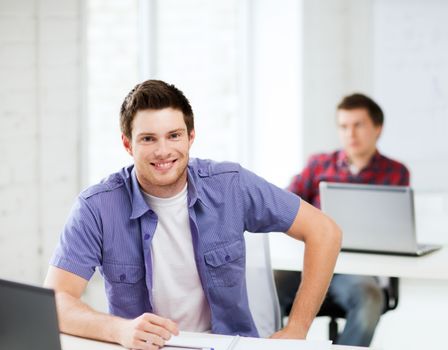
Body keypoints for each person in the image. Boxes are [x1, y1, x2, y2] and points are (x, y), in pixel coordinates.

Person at [44, 79, 341, 350]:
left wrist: (297, 328)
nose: (163, 151)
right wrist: (119, 330)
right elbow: (57, 301)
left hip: (226, 345)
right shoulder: (97, 207)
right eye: (148, 139)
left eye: (174, 135)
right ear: (127, 143)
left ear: (191, 136)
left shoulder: (230, 185)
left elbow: (325, 232)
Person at [287, 93, 410, 346]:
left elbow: (395, 231)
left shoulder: (396, 172)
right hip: (307, 263)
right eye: (344, 126)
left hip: (354, 272)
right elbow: (283, 204)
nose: (350, 134)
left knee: (369, 298)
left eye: (358, 125)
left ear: (377, 128)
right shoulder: (319, 164)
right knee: (258, 291)